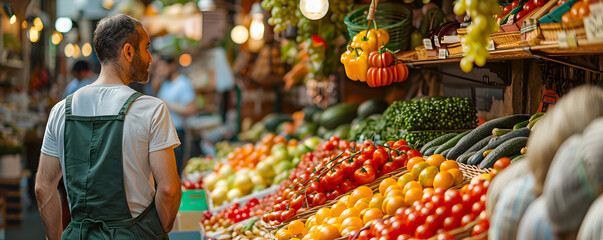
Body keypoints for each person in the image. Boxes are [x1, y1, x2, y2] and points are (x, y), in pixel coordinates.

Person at [35, 14, 182, 240]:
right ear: (128, 52)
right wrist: (158, 231)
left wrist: (55, 237)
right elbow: (169, 190)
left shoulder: (61, 110)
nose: (151, 58)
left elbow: (43, 187)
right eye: (147, 48)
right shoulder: (152, 109)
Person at [152, 57, 197, 174]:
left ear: (172, 66)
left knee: (175, 169)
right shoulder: (165, 83)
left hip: (177, 131)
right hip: (163, 132)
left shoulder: (183, 83)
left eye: (163, 67)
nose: (160, 70)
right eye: (158, 67)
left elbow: (191, 109)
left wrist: (167, 104)